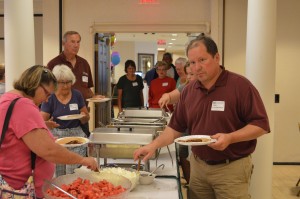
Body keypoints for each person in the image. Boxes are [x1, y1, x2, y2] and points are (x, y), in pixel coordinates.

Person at [134, 35, 270, 199]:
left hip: (231, 169)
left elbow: (261, 125)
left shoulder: (240, 86)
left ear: (216, 57)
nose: (197, 67)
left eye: (202, 60)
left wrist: (230, 138)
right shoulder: (190, 91)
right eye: (192, 62)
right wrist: (153, 146)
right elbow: (175, 128)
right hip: (198, 167)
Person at [0, 65, 97, 199]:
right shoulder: (24, 106)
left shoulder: (9, 98)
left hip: (11, 180)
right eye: (47, 94)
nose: (46, 99)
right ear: (37, 85)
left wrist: (42, 125)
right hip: (21, 186)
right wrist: (83, 160)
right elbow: (49, 150)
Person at [47, 31, 102, 136]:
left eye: (78, 42)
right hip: (59, 120)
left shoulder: (84, 63)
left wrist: (94, 96)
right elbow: (47, 89)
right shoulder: (53, 64)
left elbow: (86, 88)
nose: (76, 45)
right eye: (72, 42)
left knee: (83, 142)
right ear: (64, 44)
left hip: (81, 116)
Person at [40, 64, 90, 177]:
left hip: (76, 136)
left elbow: (86, 117)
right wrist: (48, 124)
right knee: (58, 173)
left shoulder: (77, 94)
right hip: (57, 137)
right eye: (62, 83)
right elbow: (41, 122)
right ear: (56, 82)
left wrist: (83, 117)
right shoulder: (50, 97)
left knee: (74, 172)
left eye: (69, 82)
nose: (66, 86)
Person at [158, 62, 195, 184]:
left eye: (192, 74)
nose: (189, 77)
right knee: (185, 155)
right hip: (187, 132)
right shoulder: (187, 86)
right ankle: (189, 180)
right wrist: (167, 96)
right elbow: (175, 93)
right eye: (188, 74)